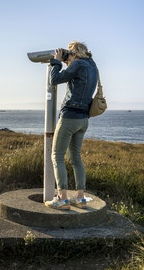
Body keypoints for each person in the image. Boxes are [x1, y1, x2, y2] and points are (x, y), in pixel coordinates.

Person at [45, 41, 98, 210]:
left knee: (57, 156)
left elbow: (54, 79)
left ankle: (61, 199)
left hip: (70, 117)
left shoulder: (77, 65)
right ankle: (80, 198)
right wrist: (67, 62)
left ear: (74, 54)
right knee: (75, 158)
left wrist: (57, 61)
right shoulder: (92, 65)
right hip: (84, 119)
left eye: (69, 53)